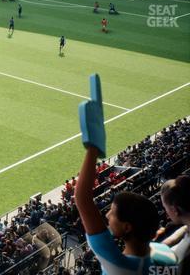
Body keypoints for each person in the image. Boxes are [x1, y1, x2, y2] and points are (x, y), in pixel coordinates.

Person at [75, 75, 178, 274]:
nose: (106, 215)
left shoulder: (119, 266)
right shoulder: (167, 255)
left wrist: (93, 148)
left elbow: (82, 199)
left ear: (127, 227)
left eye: (112, 213)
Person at [160, 175, 190, 274]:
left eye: (166, 208)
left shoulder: (182, 255)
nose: (167, 214)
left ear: (175, 209)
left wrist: (158, 247)